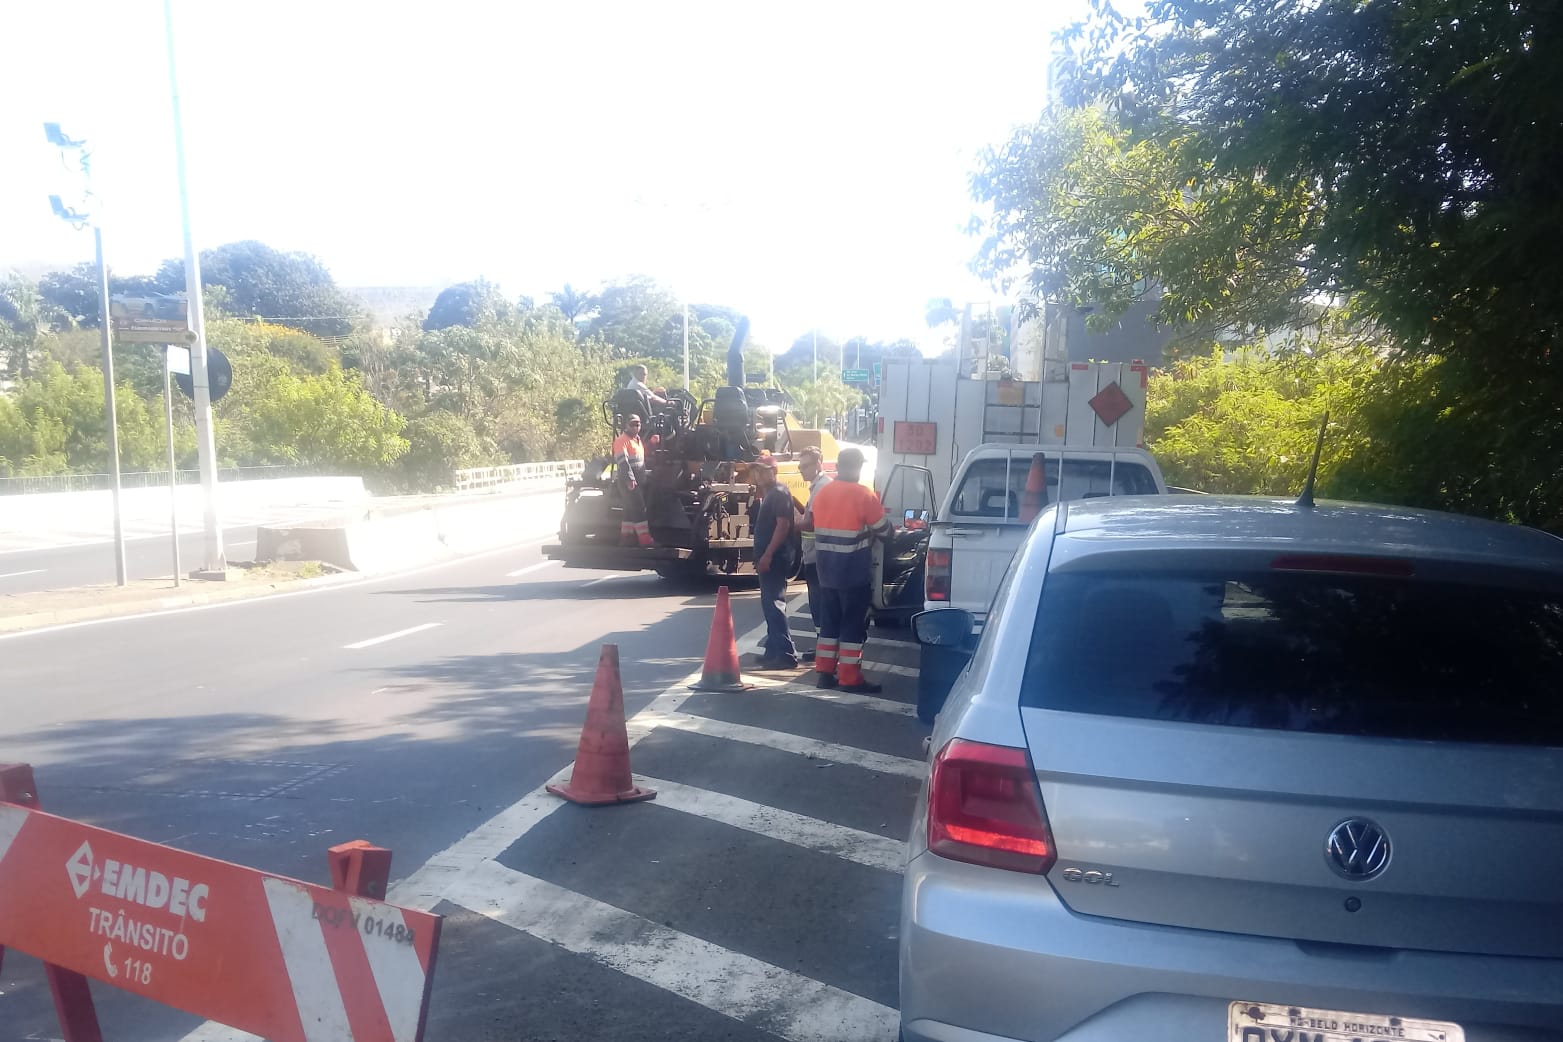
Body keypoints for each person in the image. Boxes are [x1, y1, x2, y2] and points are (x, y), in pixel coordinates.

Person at [805, 447, 891, 692]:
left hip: (826, 571)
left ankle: (824, 673)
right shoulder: (864, 495)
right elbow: (885, 532)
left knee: (829, 624)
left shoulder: (823, 494)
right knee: (852, 625)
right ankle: (849, 678)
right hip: (853, 572)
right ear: (857, 467)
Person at [749, 454, 798, 670]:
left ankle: (786, 654)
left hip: (776, 557)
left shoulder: (778, 493)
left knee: (774, 604)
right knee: (769, 604)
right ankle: (772, 650)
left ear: (773, 471)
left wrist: (768, 554)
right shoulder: (771, 493)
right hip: (771, 556)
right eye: (756, 470)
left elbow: (782, 526)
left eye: (762, 470)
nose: (758, 474)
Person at [797, 446, 832, 663]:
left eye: (806, 466)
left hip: (819, 556)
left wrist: (791, 524)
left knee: (820, 603)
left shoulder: (821, 488)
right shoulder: (817, 487)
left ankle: (824, 648)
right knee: (817, 603)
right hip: (815, 554)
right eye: (800, 466)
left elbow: (811, 522)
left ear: (819, 464)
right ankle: (822, 646)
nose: (802, 470)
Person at [612, 415, 653, 547]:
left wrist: (651, 443)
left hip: (637, 481)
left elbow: (639, 458)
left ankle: (626, 538)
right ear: (626, 425)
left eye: (638, 424)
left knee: (629, 510)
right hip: (628, 482)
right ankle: (645, 539)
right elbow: (623, 462)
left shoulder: (637, 441)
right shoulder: (621, 441)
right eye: (633, 424)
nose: (636, 426)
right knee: (639, 508)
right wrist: (630, 479)